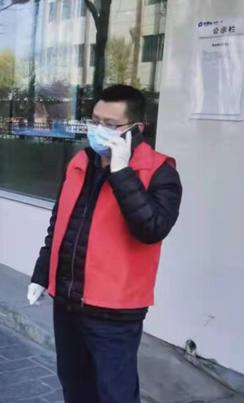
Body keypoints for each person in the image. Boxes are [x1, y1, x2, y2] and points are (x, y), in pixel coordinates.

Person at [27, 85, 183, 403]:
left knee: (115, 394)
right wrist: (42, 274)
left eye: (110, 124)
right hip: (67, 302)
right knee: (75, 387)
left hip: (114, 313)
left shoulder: (159, 173)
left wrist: (121, 172)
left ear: (137, 129)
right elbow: (59, 226)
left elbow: (152, 229)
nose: (98, 130)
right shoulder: (81, 162)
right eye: (95, 120)